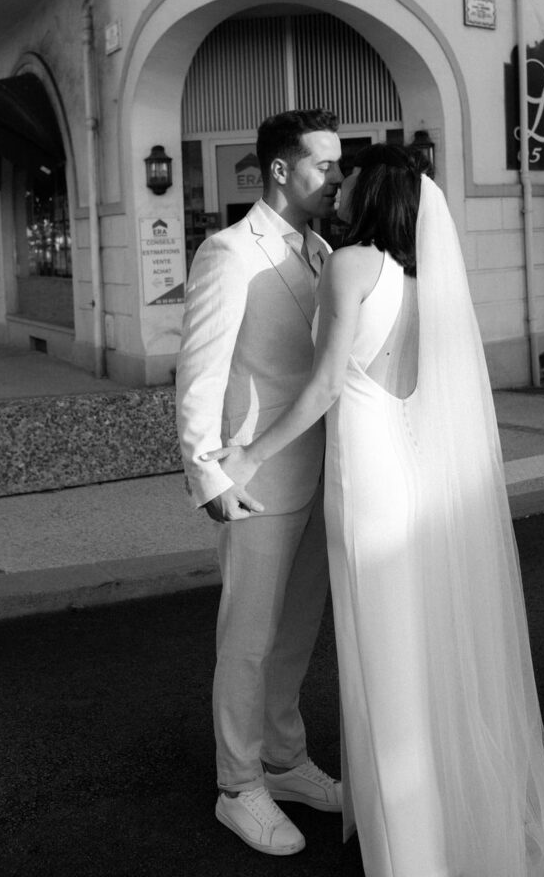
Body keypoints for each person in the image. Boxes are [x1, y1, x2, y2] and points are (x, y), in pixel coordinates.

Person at [206, 143, 544, 877]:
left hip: (364, 481)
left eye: (353, 176)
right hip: (407, 476)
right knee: (412, 649)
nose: (341, 184)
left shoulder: (349, 265)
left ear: (377, 192)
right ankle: (423, 823)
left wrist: (242, 457)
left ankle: (412, 851)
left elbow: (325, 386)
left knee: (380, 651)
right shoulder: (418, 277)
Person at [175, 108, 344, 858]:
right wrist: (206, 470)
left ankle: (284, 760)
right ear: (280, 169)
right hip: (257, 474)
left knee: (297, 633)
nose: (336, 177)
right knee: (247, 639)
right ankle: (238, 786)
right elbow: (199, 370)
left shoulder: (322, 248)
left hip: (322, 471)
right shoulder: (228, 252)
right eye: (324, 165)